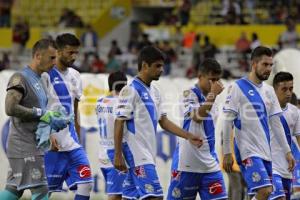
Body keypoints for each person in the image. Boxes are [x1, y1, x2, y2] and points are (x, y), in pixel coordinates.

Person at [113, 46, 203, 200]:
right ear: (144, 65)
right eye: (157, 66)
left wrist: (187, 135)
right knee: (156, 197)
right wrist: (117, 154)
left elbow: (164, 121)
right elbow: (118, 122)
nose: (162, 69)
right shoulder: (130, 90)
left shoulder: (155, 92)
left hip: (147, 154)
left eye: (162, 65)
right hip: (137, 155)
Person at [222, 46, 295, 200]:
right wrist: (227, 152)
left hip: (266, 153)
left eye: (271, 65)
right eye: (265, 64)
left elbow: (276, 124)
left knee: (268, 195)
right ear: (254, 64)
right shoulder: (237, 87)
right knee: (266, 191)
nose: (269, 69)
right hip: (247, 151)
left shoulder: (269, 91)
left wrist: (287, 152)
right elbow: (227, 121)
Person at [0, 38, 68, 200]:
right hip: (23, 145)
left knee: (14, 189)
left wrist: (48, 134)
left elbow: (42, 114)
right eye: (51, 58)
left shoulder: (42, 80)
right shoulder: (20, 78)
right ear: (38, 56)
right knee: (43, 191)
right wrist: (41, 113)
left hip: (31, 144)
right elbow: (10, 108)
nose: (55, 62)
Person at [167, 58, 227, 199]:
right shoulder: (188, 94)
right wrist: (212, 95)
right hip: (187, 165)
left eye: (218, 80)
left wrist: (212, 96)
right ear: (200, 76)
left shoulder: (215, 98)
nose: (215, 84)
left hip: (210, 165)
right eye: (212, 80)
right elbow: (197, 117)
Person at [42, 33, 93, 200]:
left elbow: (75, 109)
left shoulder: (75, 76)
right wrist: (47, 135)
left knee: (86, 184)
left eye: (76, 53)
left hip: (72, 143)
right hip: (51, 144)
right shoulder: (45, 75)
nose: (74, 56)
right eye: (70, 52)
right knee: (44, 192)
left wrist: (78, 136)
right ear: (58, 51)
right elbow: (39, 108)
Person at [96, 71, 128, 200]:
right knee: (116, 196)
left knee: (118, 193)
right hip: (115, 154)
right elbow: (119, 126)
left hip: (102, 153)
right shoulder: (119, 104)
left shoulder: (99, 102)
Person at [270, 72, 300, 200]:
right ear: (275, 90)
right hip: (270, 166)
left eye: (291, 89)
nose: (288, 93)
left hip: (287, 170)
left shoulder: (295, 112)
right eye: (284, 89)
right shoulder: (266, 110)